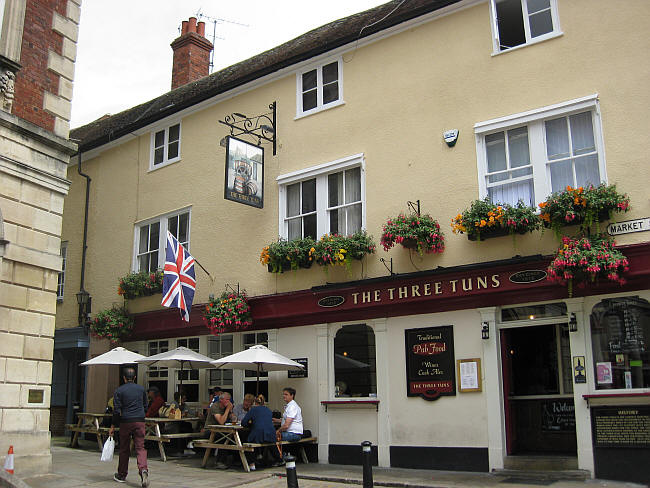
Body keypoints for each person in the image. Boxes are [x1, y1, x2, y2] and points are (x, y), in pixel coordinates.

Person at [109, 367, 149, 487]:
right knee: (140, 448)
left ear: (124, 378)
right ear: (135, 377)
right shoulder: (141, 389)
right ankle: (143, 469)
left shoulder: (119, 391)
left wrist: (112, 425)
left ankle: (122, 474)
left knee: (124, 449)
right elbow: (146, 406)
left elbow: (116, 411)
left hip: (125, 421)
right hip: (140, 421)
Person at [240, 394, 283, 470]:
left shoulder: (253, 410)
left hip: (259, 434)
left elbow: (244, 422)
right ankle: (278, 459)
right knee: (269, 443)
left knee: (247, 441)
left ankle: (252, 464)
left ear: (254, 403)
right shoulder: (268, 410)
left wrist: (250, 424)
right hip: (271, 435)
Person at [202, 391, 236, 469]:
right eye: (227, 400)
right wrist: (227, 410)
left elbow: (234, 419)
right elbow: (221, 421)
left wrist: (231, 412)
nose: (229, 402)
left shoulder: (226, 408)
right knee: (224, 437)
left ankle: (234, 459)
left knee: (232, 437)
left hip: (221, 431)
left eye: (229, 400)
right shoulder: (215, 406)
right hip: (210, 431)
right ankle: (219, 461)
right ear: (221, 400)